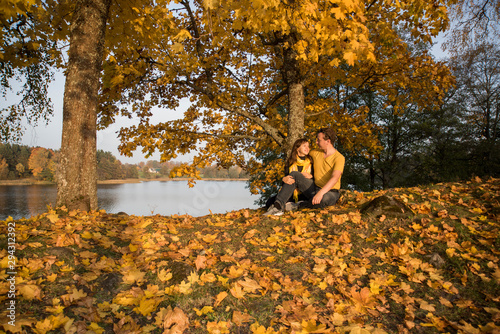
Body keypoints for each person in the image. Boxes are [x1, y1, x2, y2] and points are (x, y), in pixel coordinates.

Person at [263, 127, 345, 216]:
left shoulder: (339, 158)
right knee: (295, 174)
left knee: (323, 199)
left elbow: (335, 178)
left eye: (319, 140)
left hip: (330, 192)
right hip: (313, 188)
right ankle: (278, 206)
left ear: (328, 141)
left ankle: (299, 205)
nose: (316, 142)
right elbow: (301, 153)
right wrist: (285, 178)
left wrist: (321, 193)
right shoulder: (315, 153)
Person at [264, 138, 313, 209]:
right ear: (297, 148)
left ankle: (289, 204)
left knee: (295, 174)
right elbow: (286, 182)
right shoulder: (290, 162)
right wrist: (284, 179)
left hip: (306, 191)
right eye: (304, 146)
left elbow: (316, 178)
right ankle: (287, 204)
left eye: (308, 146)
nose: (307, 148)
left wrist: (311, 176)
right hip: (293, 192)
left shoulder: (311, 161)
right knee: (269, 202)